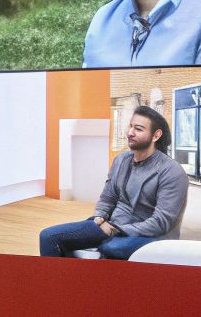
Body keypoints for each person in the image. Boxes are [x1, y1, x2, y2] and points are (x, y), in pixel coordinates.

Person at [36, 105, 188, 260]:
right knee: (48, 236)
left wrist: (116, 229)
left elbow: (161, 222)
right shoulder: (121, 160)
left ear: (156, 135)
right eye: (130, 126)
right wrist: (99, 217)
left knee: (111, 248)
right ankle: (60, 277)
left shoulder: (172, 172)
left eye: (138, 129)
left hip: (150, 235)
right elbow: (107, 198)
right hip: (111, 226)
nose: (130, 132)